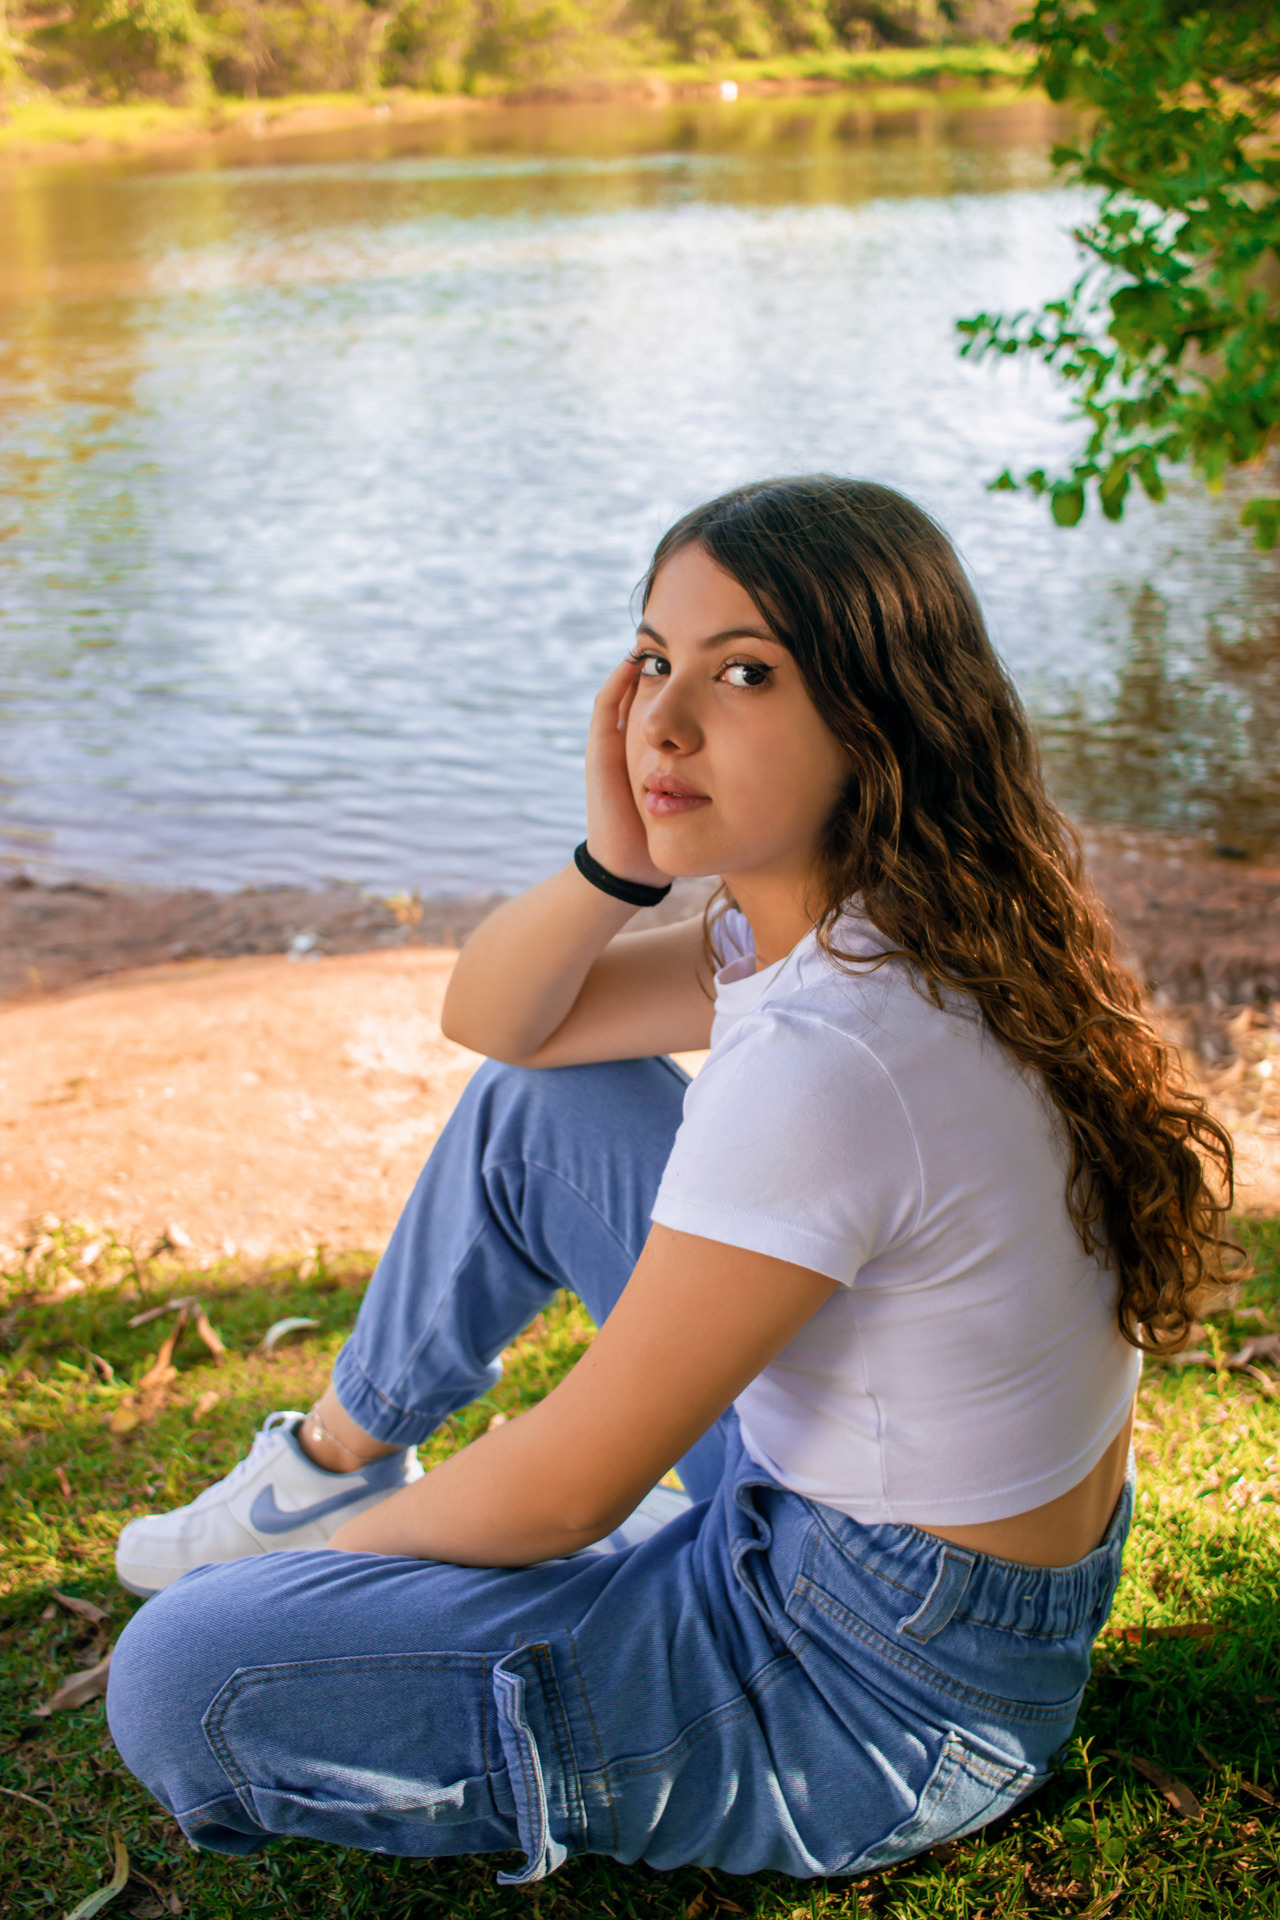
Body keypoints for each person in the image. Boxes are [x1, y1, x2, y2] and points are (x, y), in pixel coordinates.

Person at [105, 476, 1234, 1885]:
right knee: (545, 1098)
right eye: (655, 661)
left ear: (876, 718)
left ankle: (316, 1538)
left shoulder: (835, 1051)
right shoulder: (878, 921)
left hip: (876, 1688)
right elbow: (505, 1026)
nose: (667, 719)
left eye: (744, 672)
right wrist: (609, 865)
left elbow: (568, 1486)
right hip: (912, 1560)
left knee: (181, 1675)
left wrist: (317, 1589)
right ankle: (334, 1466)